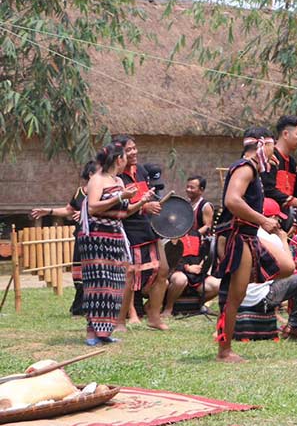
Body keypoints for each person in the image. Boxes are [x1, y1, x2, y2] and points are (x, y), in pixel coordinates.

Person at [215, 127, 294, 363]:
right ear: (262, 144)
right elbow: (232, 200)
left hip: (248, 236)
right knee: (234, 298)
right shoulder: (246, 167)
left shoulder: (252, 170)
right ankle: (224, 351)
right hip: (238, 236)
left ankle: (244, 277)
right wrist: (262, 220)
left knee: (286, 267)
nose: (274, 153)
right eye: (271, 146)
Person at [78, 143, 152, 345]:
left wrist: (141, 201)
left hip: (115, 236)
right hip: (96, 238)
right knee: (98, 284)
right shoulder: (97, 180)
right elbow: (93, 208)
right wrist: (120, 196)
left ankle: (105, 331)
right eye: (125, 157)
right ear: (118, 159)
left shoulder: (118, 180)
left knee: (115, 284)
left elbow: (125, 212)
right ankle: (92, 332)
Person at [114, 135, 169, 331]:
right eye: (128, 150)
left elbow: (149, 196)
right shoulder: (115, 177)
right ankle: (120, 321)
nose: (133, 152)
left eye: (134, 148)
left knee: (162, 270)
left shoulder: (142, 171)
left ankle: (154, 317)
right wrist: (144, 207)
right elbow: (118, 205)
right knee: (128, 275)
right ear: (119, 154)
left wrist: (154, 205)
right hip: (129, 231)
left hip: (149, 228)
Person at [31, 160, 97, 316]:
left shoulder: (103, 192)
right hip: (82, 237)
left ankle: (93, 306)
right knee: (79, 275)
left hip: (98, 237)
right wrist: (49, 211)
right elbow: (68, 210)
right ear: (91, 174)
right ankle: (80, 306)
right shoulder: (79, 192)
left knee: (95, 273)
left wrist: (86, 214)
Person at [261, 115, 297, 231]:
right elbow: (268, 190)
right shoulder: (271, 158)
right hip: (267, 217)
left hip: (285, 216)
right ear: (285, 134)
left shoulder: (292, 162)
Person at [163, 232, 220, 316]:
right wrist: (187, 268)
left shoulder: (196, 234)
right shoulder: (169, 233)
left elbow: (203, 254)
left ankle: (196, 306)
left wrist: (202, 264)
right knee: (180, 280)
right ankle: (168, 308)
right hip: (176, 271)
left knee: (218, 285)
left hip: (196, 273)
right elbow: (169, 258)